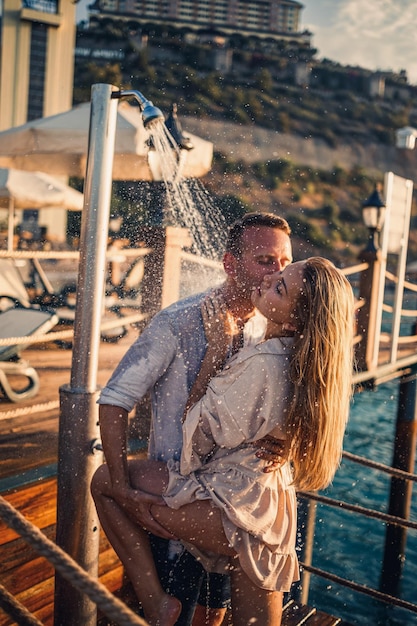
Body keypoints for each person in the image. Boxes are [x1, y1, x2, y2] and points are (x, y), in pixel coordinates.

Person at [92, 257, 355, 626]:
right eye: (276, 271)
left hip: (233, 507)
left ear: (294, 320)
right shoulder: (308, 362)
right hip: (269, 509)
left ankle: (155, 603)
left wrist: (217, 348)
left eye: (280, 285)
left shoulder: (263, 362)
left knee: (105, 482)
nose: (268, 279)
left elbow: (196, 442)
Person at [93, 212, 293, 626]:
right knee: (175, 614)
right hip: (174, 493)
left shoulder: (269, 327)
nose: (276, 271)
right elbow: (113, 401)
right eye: (264, 260)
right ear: (229, 264)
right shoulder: (178, 322)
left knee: (212, 616)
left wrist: (287, 441)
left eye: (284, 263)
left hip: (235, 501)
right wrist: (120, 486)